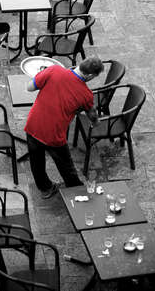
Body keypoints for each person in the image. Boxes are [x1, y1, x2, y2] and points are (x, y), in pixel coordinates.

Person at [24, 57, 104, 199]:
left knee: (36, 161)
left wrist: (43, 74)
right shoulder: (86, 94)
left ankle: (45, 188)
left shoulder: (54, 70)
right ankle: (76, 191)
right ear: (91, 76)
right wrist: (96, 123)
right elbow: (92, 115)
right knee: (66, 165)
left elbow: (29, 87)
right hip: (53, 135)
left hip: (33, 124)